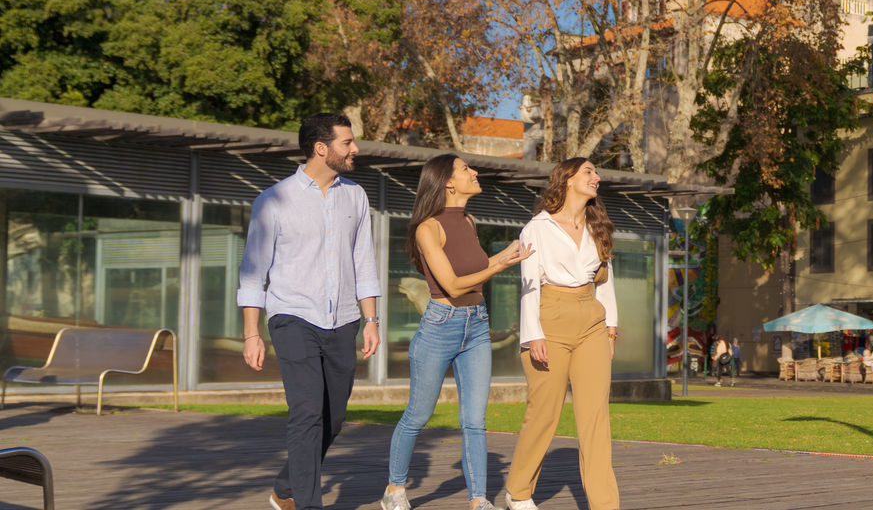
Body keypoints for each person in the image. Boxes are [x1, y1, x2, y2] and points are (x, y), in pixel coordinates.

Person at [238, 113, 381, 510]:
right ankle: (308, 504)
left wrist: (371, 320)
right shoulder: (273, 200)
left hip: (345, 320)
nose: (355, 149)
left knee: (332, 418)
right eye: (347, 142)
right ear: (322, 148)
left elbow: (363, 262)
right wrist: (252, 334)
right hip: (292, 316)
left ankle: (286, 490)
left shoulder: (356, 196)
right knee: (306, 414)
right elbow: (253, 274)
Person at [382, 155, 532, 510]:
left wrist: (499, 261)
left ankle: (478, 499)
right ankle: (394, 490)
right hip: (440, 325)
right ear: (447, 182)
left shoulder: (469, 219)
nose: (474, 172)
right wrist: (500, 263)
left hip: (477, 324)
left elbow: (474, 274)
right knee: (417, 415)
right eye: (466, 169)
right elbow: (450, 284)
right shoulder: (427, 228)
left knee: (474, 419)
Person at [499, 158, 619, 510]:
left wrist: (611, 327)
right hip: (548, 318)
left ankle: (605, 504)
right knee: (544, 412)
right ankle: (518, 492)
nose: (597, 177)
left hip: (591, 321)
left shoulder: (598, 226)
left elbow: (605, 280)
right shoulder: (538, 227)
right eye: (588, 171)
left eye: (596, 173)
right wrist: (533, 334)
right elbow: (528, 284)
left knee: (596, 417)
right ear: (566, 180)